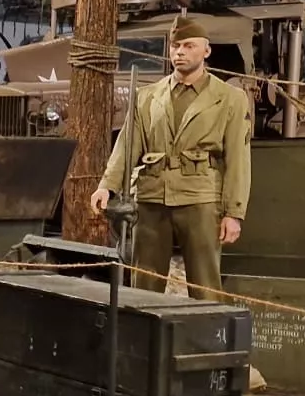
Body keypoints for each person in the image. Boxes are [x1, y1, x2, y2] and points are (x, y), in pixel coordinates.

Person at [89, 16, 252, 299]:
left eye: (189, 45)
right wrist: (107, 185)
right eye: (176, 45)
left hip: (200, 198)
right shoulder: (147, 96)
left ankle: (205, 340)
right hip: (153, 198)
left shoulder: (229, 98)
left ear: (206, 50)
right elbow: (128, 144)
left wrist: (233, 212)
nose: (180, 52)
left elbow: (238, 158)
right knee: (144, 285)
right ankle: (143, 341)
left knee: (205, 287)